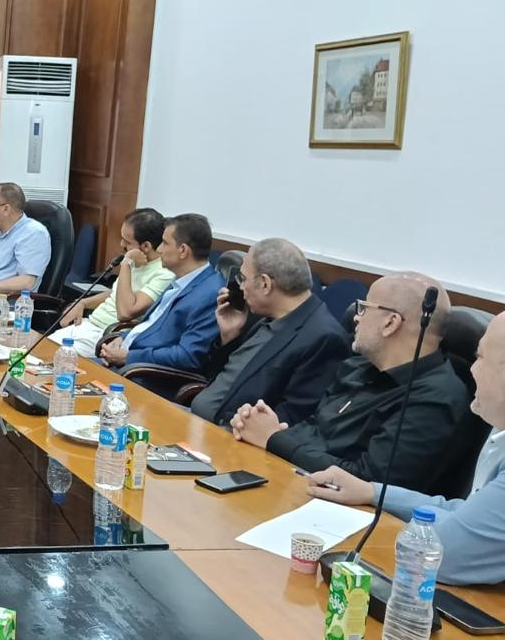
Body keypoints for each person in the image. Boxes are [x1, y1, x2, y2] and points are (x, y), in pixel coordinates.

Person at [306, 312, 505, 585]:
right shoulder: (499, 434)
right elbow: (466, 513)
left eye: (480, 358)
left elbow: (441, 555)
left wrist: (433, 527)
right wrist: (371, 492)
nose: (472, 370)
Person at [232, 272, 473, 497]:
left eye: (364, 308)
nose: (356, 316)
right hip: (293, 480)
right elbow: (315, 428)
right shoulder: (359, 366)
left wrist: (274, 438)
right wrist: (266, 428)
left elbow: (367, 482)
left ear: (390, 323)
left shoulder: (435, 397)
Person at [190, 238, 350, 427]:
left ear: (265, 284)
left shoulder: (324, 338)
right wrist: (229, 337)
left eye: (243, 279)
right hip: (195, 420)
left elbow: (290, 420)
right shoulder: (265, 317)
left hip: (227, 435)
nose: (240, 287)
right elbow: (221, 380)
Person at [98, 213, 224, 372]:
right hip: (128, 359)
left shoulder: (210, 294)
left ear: (183, 250)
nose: (158, 249)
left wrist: (128, 357)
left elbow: (187, 356)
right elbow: (152, 325)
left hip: (143, 373)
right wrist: (122, 338)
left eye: (164, 243)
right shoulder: (181, 279)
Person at [50, 207, 174, 357]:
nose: (121, 244)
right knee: (39, 347)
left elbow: (126, 313)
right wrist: (82, 303)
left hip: (109, 335)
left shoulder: (164, 273)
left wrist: (126, 263)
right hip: (89, 323)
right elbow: (115, 293)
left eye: (127, 241)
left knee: (51, 356)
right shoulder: (136, 260)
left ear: (146, 246)